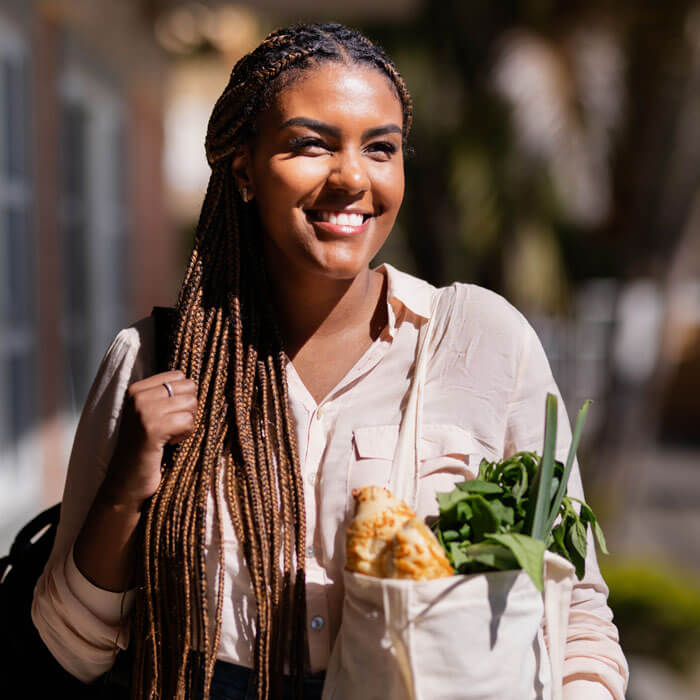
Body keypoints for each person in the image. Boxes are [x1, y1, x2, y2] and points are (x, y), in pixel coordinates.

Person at [32, 22, 628, 700]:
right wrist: (126, 487)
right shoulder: (153, 361)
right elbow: (69, 646)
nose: (351, 177)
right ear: (244, 168)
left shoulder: (482, 341)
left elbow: (575, 608)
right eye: (311, 144)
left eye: (381, 148)